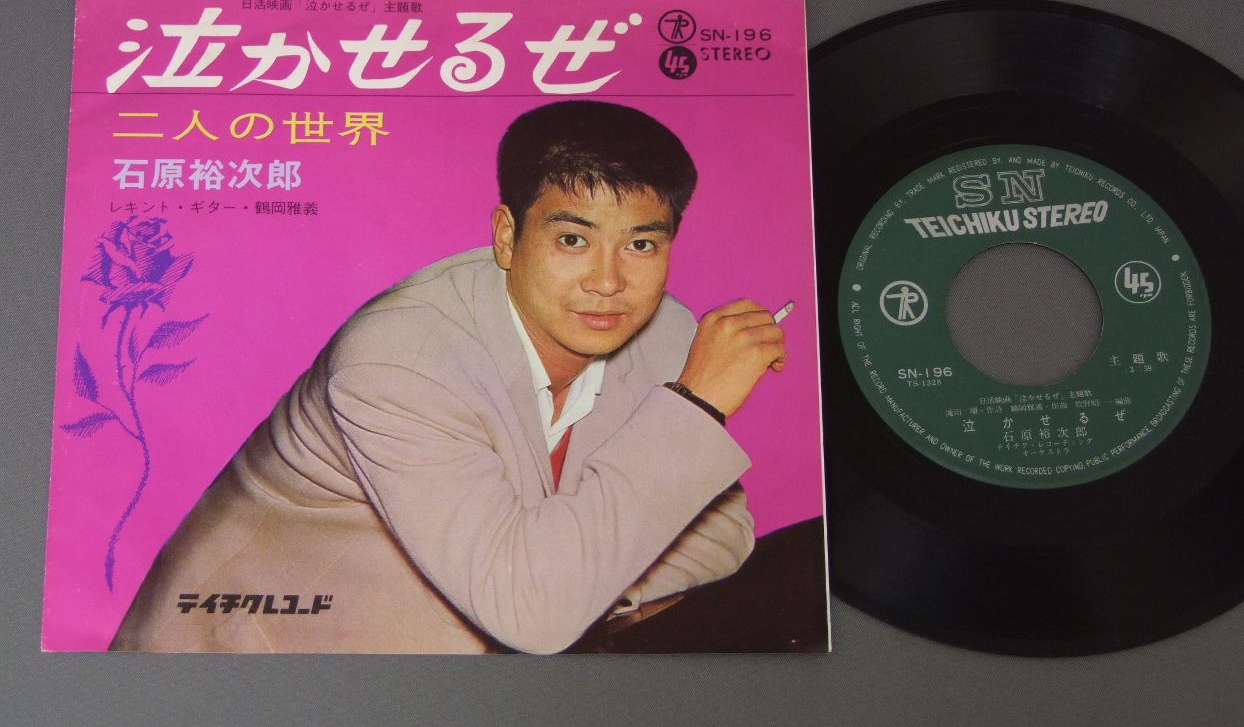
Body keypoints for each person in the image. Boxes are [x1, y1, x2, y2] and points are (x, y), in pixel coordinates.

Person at [110, 100, 788, 654]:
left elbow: (724, 536)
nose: (608, 282)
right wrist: (697, 404)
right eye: (572, 240)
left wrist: (585, 583)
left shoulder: (664, 331)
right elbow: (536, 613)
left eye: (641, 244)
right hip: (243, 673)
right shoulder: (397, 360)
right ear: (507, 237)